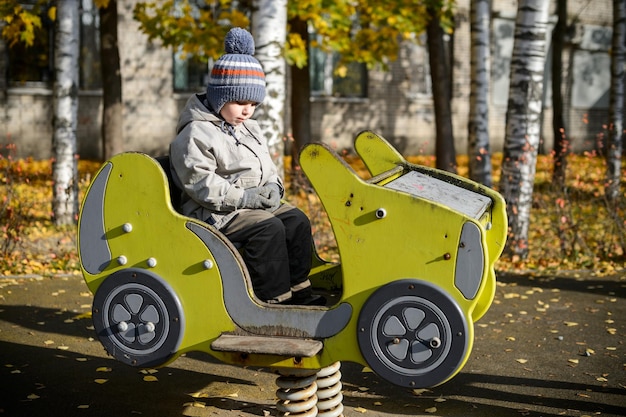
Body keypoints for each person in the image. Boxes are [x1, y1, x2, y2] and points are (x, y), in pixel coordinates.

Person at [169, 27, 324, 306]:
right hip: (214, 212)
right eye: (240, 102)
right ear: (219, 97)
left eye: (253, 103)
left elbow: (266, 165)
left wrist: (275, 187)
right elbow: (200, 184)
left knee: (296, 220)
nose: (247, 110)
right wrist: (244, 198)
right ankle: (274, 298)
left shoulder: (248, 128)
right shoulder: (196, 133)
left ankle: (299, 288)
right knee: (269, 228)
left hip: (249, 205)